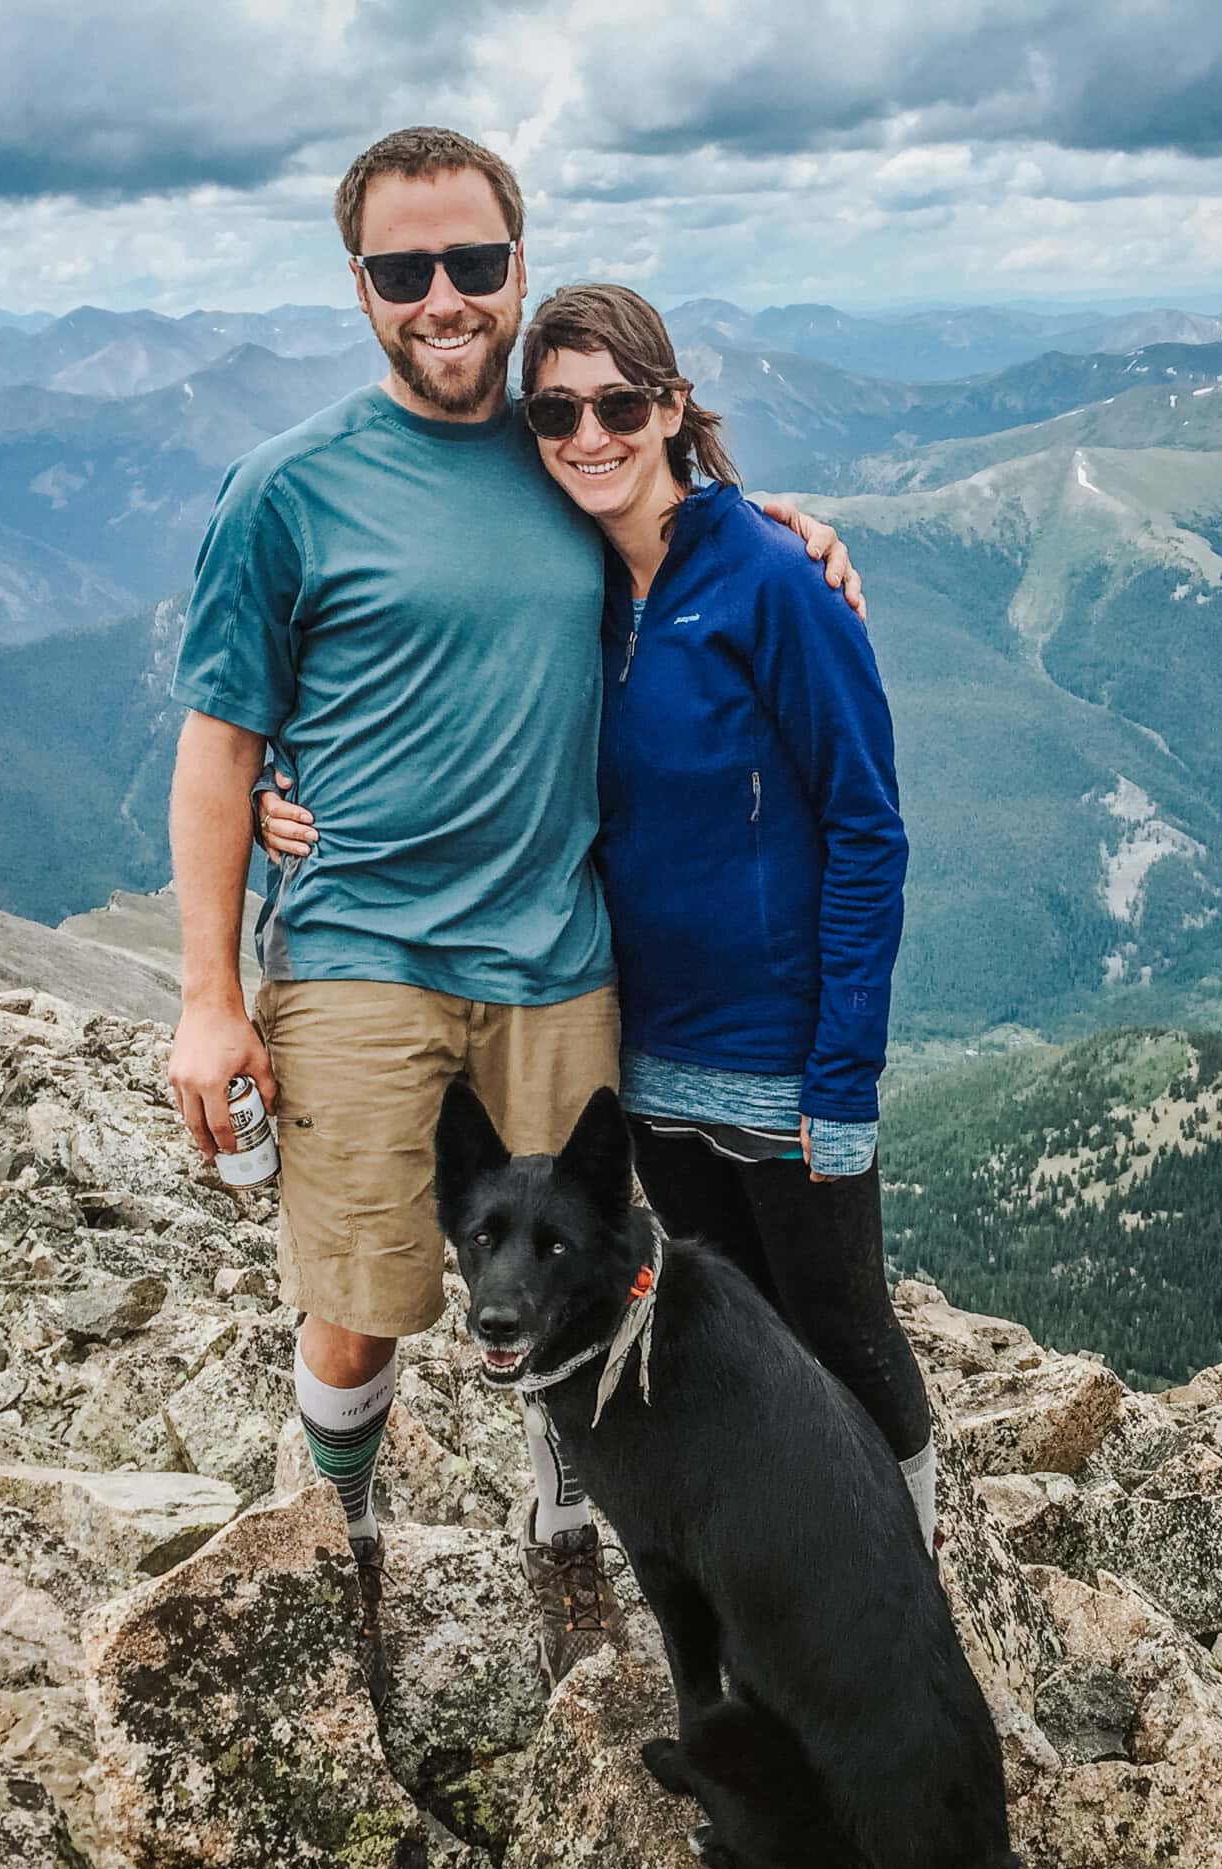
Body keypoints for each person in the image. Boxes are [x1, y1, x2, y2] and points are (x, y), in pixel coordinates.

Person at [164, 126, 861, 1687]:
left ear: (518, 263)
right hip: (359, 958)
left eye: (473, 264)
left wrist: (799, 535)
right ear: (359, 285)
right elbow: (218, 749)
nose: (444, 298)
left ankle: (564, 1536)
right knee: (364, 1302)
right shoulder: (283, 491)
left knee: (580, 1286)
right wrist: (210, 995)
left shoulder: (562, 439)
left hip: (557, 958)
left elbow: (676, 512)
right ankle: (337, 1525)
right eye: (405, 272)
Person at [261, 282, 938, 1550]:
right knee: (735, 1342)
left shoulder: (773, 580)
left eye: (620, 404)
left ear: (671, 408)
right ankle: (775, 1566)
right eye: (558, 409)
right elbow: (404, 683)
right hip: (642, 1050)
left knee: (843, 1334)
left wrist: (842, 1072)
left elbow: (866, 828)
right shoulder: (578, 574)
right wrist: (275, 782)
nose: (588, 434)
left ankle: (910, 1591)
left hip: (782, 1055)